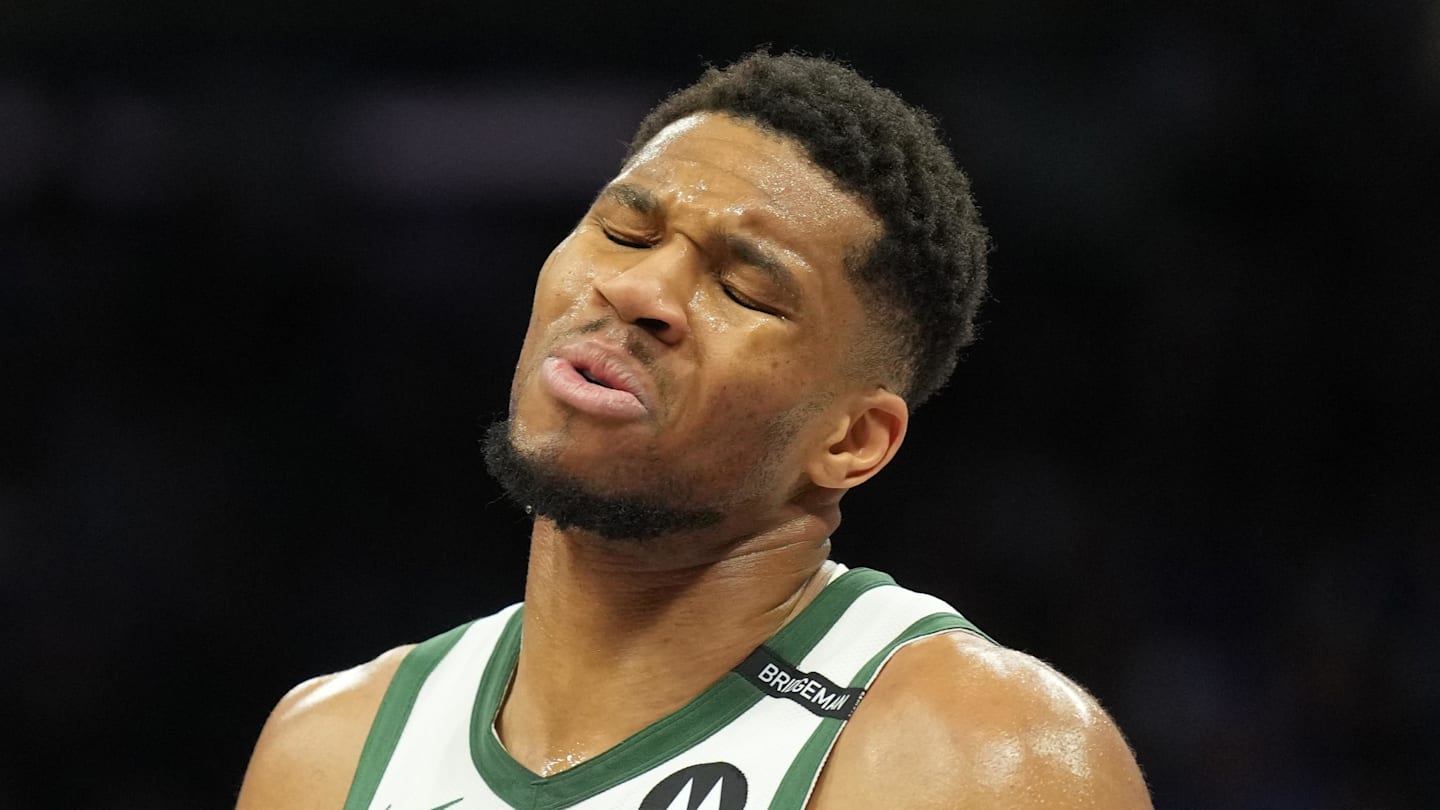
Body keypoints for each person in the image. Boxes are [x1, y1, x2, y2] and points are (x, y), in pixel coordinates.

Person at [236, 51, 1152, 809]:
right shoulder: (327, 754)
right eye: (626, 234)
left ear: (852, 441)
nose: (638, 294)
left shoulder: (976, 758)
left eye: (745, 288)